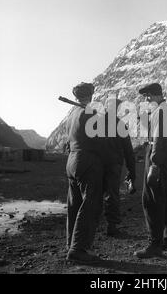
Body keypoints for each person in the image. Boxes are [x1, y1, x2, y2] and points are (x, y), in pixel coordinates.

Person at [134, 83, 167, 258]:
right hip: (164, 157)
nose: (146, 99)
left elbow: (158, 139)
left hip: (158, 156)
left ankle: (155, 244)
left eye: (148, 96)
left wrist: (154, 163)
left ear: (155, 95)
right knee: (164, 197)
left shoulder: (161, 111)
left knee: (152, 201)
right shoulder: (164, 110)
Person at [65, 82, 104, 263]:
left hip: (71, 161)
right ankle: (78, 249)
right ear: (91, 95)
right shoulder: (88, 113)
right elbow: (99, 141)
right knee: (89, 205)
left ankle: (70, 244)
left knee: (74, 204)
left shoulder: (71, 114)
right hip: (87, 161)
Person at [102, 97, 136, 236]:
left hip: (96, 165)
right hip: (113, 166)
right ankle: (112, 226)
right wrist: (132, 172)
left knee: (92, 195)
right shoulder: (120, 125)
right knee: (112, 195)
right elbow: (128, 151)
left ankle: (89, 226)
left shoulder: (94, 123)